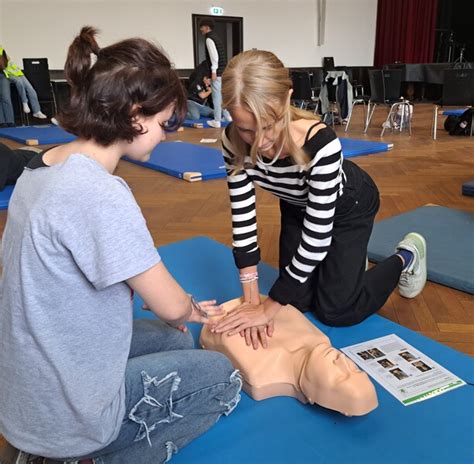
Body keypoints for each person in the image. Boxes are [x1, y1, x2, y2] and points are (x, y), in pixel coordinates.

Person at [0, 26, 242, 464]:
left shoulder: (38, 170)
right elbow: (171, 307)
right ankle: (80, 457)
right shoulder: (101, 192)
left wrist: (167, 307)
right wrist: (192, 308)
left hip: (25, 397)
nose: (168, 134)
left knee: (178, 342)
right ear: (135, 114)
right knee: (223, 378)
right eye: (166, 123)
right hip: (70, 420)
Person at [212, 50, 427, 349]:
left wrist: (268, 307)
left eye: (269, 125)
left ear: (287, 99)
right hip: (297, 206)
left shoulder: (321, 143)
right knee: (296, 301)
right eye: (247, 129)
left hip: (349, 206)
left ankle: (406, 257)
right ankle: (348, 265)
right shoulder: (231, 141)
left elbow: (316, 240)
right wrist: (252, 302)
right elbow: (243, 217)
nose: (259, 142)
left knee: (336, 310)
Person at [0, 46, 47, 119]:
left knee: (31, 90)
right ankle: (24, 102)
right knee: (20, 83)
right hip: (8, 73)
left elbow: (8, 58)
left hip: (17, 71)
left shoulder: (1, 49)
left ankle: (37, 111)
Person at [199, 18, 227, 128]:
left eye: (201, 27)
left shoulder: (209, 39)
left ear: (206, 27)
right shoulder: (216, 37)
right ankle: (227, 116)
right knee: (222, 95)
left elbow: (214, 56)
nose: (200, 29)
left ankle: (217, 120)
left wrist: (213, 71)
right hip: (223, 70)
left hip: (218, 71)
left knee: (216, 96)